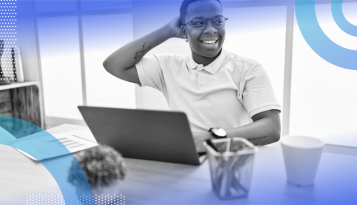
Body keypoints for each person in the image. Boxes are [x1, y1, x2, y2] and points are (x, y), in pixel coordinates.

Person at [103, 0, 281, 152]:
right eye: (198, 23)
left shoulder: (248, 69)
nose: (211, 30)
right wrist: (167, 31)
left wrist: (210, 139)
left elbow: (272, 128)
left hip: (229, 161)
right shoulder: (167, 66)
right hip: (184, 162)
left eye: (218, 21)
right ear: (183, 30)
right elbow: (114, 65)